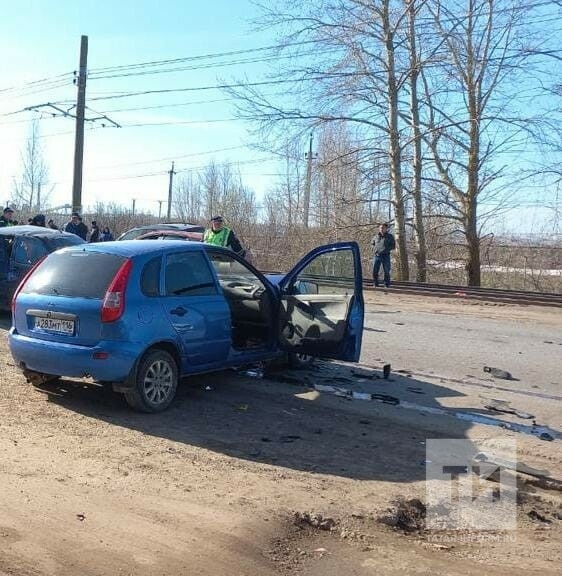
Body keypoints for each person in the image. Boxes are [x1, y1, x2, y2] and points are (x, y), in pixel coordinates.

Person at [371, 222, 396, 288]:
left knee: (387, 271)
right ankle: (375, 284)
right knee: (374, 271)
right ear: (379, 229)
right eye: (380, 228)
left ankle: (386, 285)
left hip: (386, 256)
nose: (382, 229)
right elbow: (372, 244)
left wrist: (386, 249)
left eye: (383, 228)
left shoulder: (390, 236)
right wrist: (374, 250)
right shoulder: (376, 236)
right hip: (377, 256)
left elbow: (393, 246)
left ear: (386, 229)